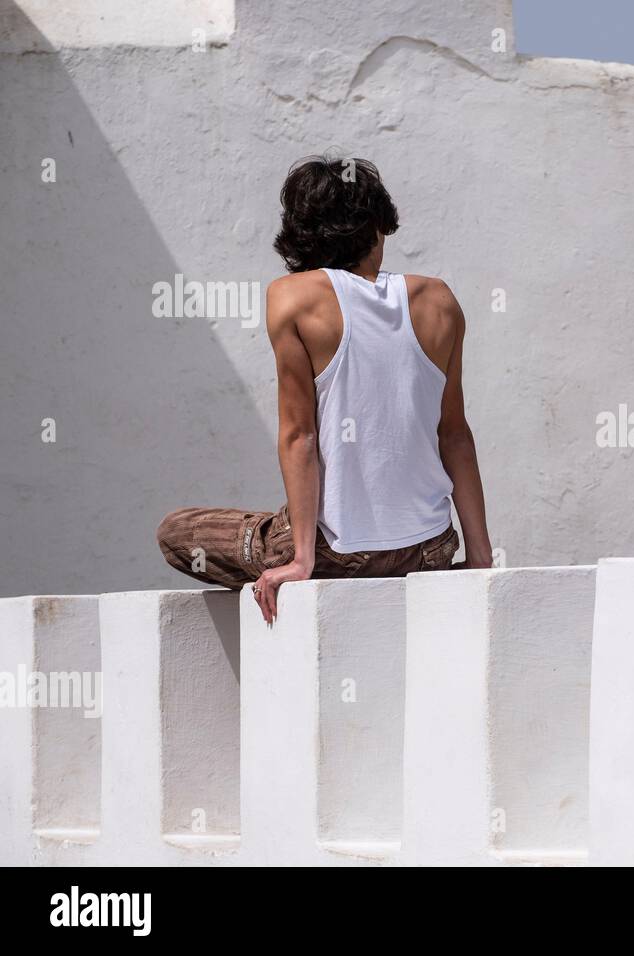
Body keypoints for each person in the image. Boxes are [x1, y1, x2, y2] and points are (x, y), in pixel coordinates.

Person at [156, 156, 492, 624]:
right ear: (377, 225)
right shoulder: (438, 300)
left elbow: (301, 437)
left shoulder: (291, 297)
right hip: (428, 550)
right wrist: (480, 558)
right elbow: (454, 434)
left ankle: (305, 551)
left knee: (177, 530)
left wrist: (301, 561)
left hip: (337, 555)